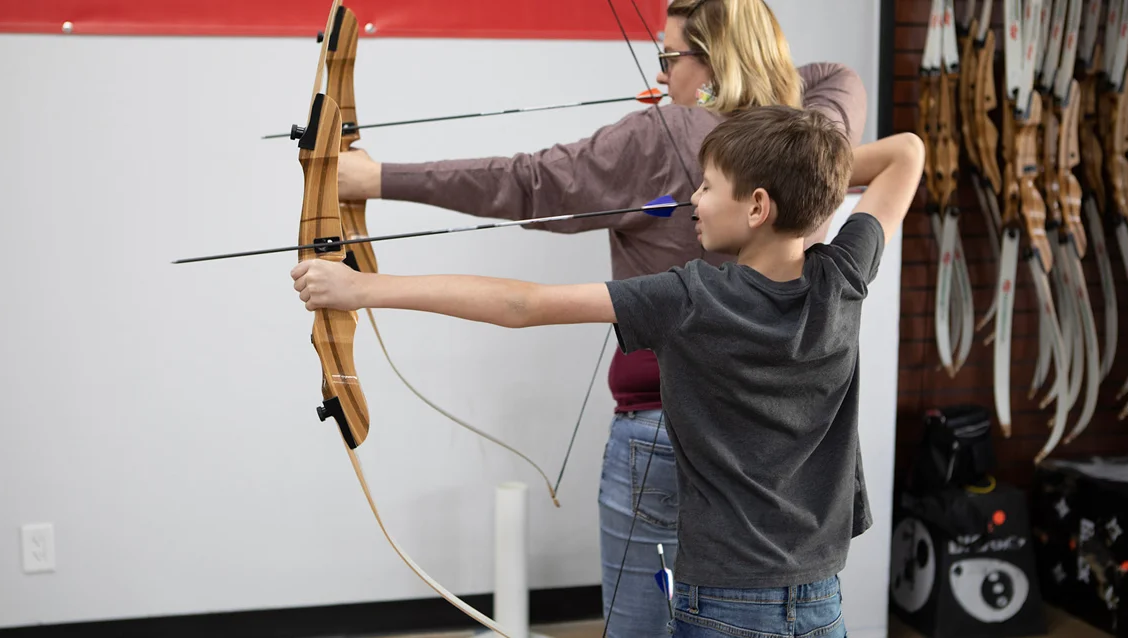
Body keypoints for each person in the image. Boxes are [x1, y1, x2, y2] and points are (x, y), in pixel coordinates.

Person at [333, 0, 867, 632]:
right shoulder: (813, 141)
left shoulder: (663, 143)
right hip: (790, 450)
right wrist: (739, 93)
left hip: (663, 433)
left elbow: (529, 188)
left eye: (670, 57)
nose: (662, 72)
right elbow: (842, 82)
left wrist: (376, 178)